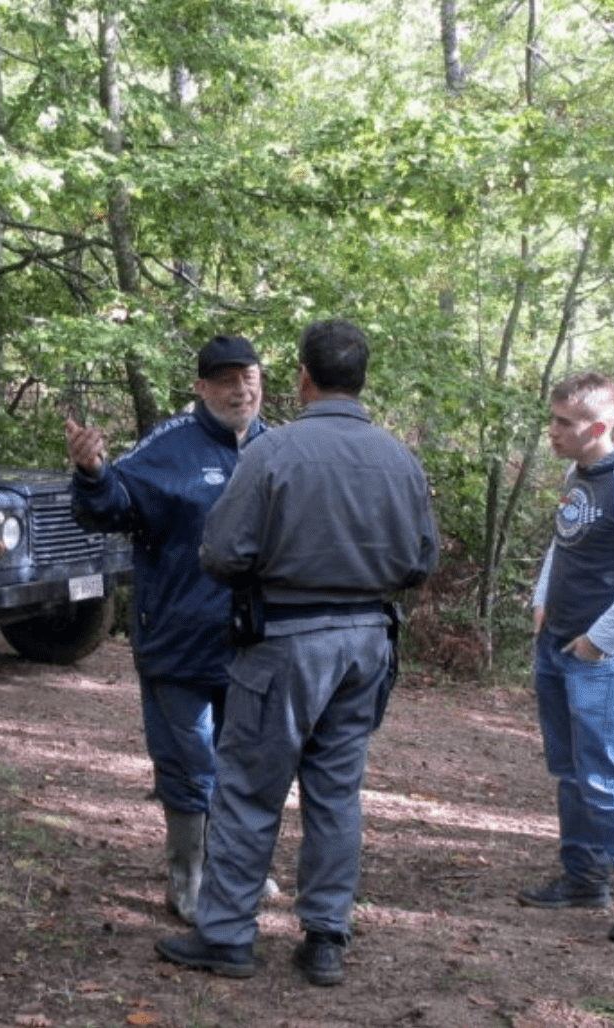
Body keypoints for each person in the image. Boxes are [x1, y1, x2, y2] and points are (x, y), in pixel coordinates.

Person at [155, 319, 438, 987]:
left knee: (250, 791)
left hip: (286, 641)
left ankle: (227, 936)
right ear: (360, 379)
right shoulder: (399, 458)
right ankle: (325, 939)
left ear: (303, 378)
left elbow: (221, 553)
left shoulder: (274, 453)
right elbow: (422, 561)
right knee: (337, 792)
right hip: (369, 643)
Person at [66, 335, 267, 924]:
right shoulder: (169, 446)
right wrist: (93, 471)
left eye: (248, 377)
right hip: (178, 641)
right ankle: (190, 880)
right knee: (189, 766)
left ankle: (237, 867)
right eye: (225, 380)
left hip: (255, 644)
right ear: (201, 388)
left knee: (248, 763)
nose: (239, 389)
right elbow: (110, 506)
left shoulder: (277, 448)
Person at [516, 371, 614, 944]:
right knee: (568, 771)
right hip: (555, 644)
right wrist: (540, 601)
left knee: (602, 777)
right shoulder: (578, 473)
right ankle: (584, 877)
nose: (552, 432)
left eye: (564, 423)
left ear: (599, 427)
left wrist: (598, 639)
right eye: (553, 419)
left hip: (595, 656)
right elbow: (562, 543)